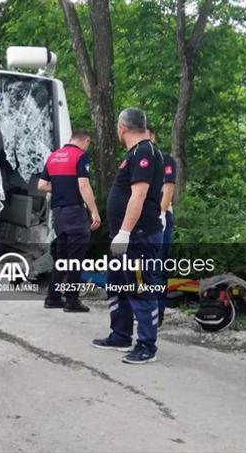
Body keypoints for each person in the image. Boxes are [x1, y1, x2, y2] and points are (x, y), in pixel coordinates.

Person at [91, 107, 165, 364]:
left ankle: (147, 345)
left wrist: (125, 232)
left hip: (137, 237)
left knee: (139, 288)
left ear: (122, 127)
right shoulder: (135, 153)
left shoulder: (145, 152)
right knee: (117, 284)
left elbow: (139, 195)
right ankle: (120, 334)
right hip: (123, 237)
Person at [38, 129, 101, 312]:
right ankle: (72, 300)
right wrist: (94, 211)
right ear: (86, 140)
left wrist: (59, 188)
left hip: (58, 213)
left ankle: (53, 297)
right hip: (75, 212)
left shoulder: (54, 156)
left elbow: (41, 185)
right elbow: (83, 184)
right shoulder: (80, 156)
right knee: (75, 258)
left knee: (62, 256)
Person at [149, 129, 176, 327]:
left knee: (157, 269)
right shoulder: (134, 159)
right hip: (139, 221)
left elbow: (167, 191)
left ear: (153, 136)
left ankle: (157, 314)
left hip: (160, 218)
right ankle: (144, 311)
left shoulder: (165, 160)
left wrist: (160, 214)